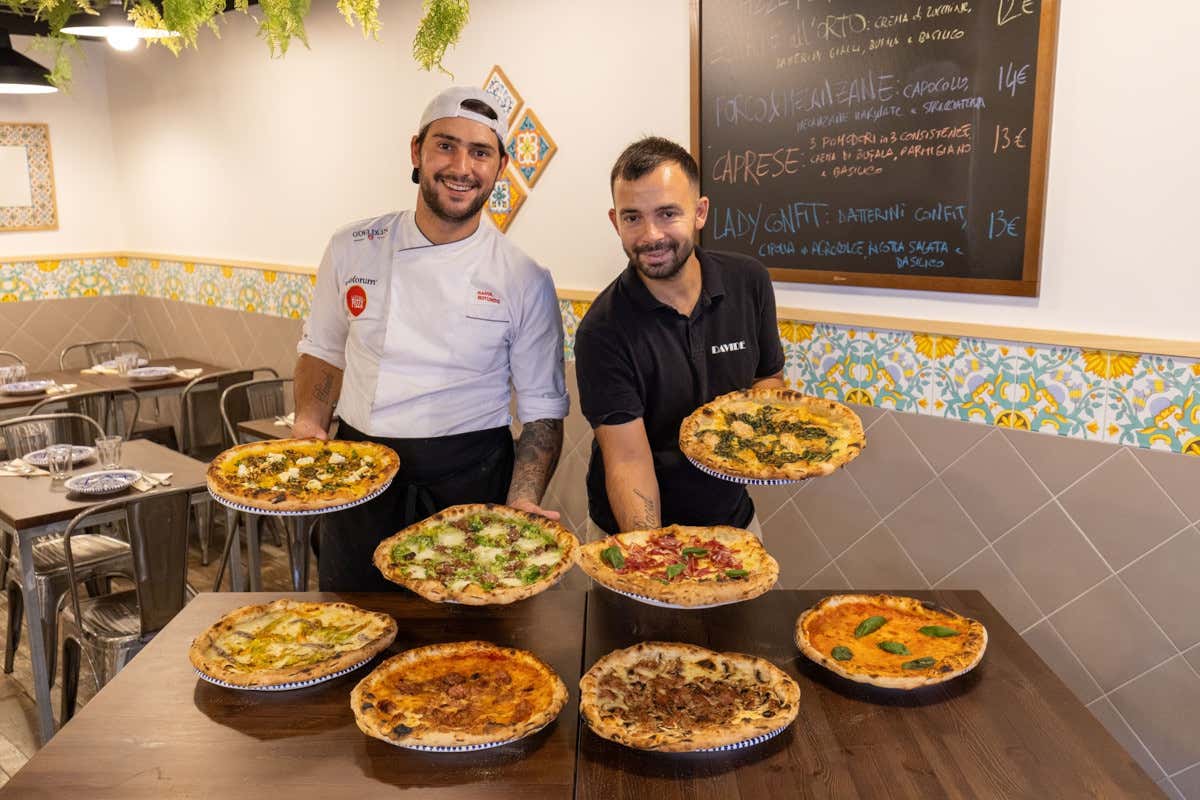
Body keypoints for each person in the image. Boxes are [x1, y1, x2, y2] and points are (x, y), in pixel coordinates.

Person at [293, 86, 568, 591]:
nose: (461, 166)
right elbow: (324, 350)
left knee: (469, 653)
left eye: (480, 152)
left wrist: (523, 497)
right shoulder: (352, 247)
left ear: (500, 166)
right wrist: (310, 423)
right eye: (446, 145)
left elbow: (542, 411)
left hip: (472, 482)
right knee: (355, 627)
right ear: (416, 151)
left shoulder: (524, 277)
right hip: (359, 478)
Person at [575, 136, 785, 538]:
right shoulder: (602, 331)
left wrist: (767, 448)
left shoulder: (749, 282)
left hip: (732, 523)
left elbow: (768, 379)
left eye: (667, 213)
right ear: (614, 220)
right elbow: (628, 460)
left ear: (700, 212)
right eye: (632, 217)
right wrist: (653, 555)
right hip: (632, 528)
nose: (651, 235)